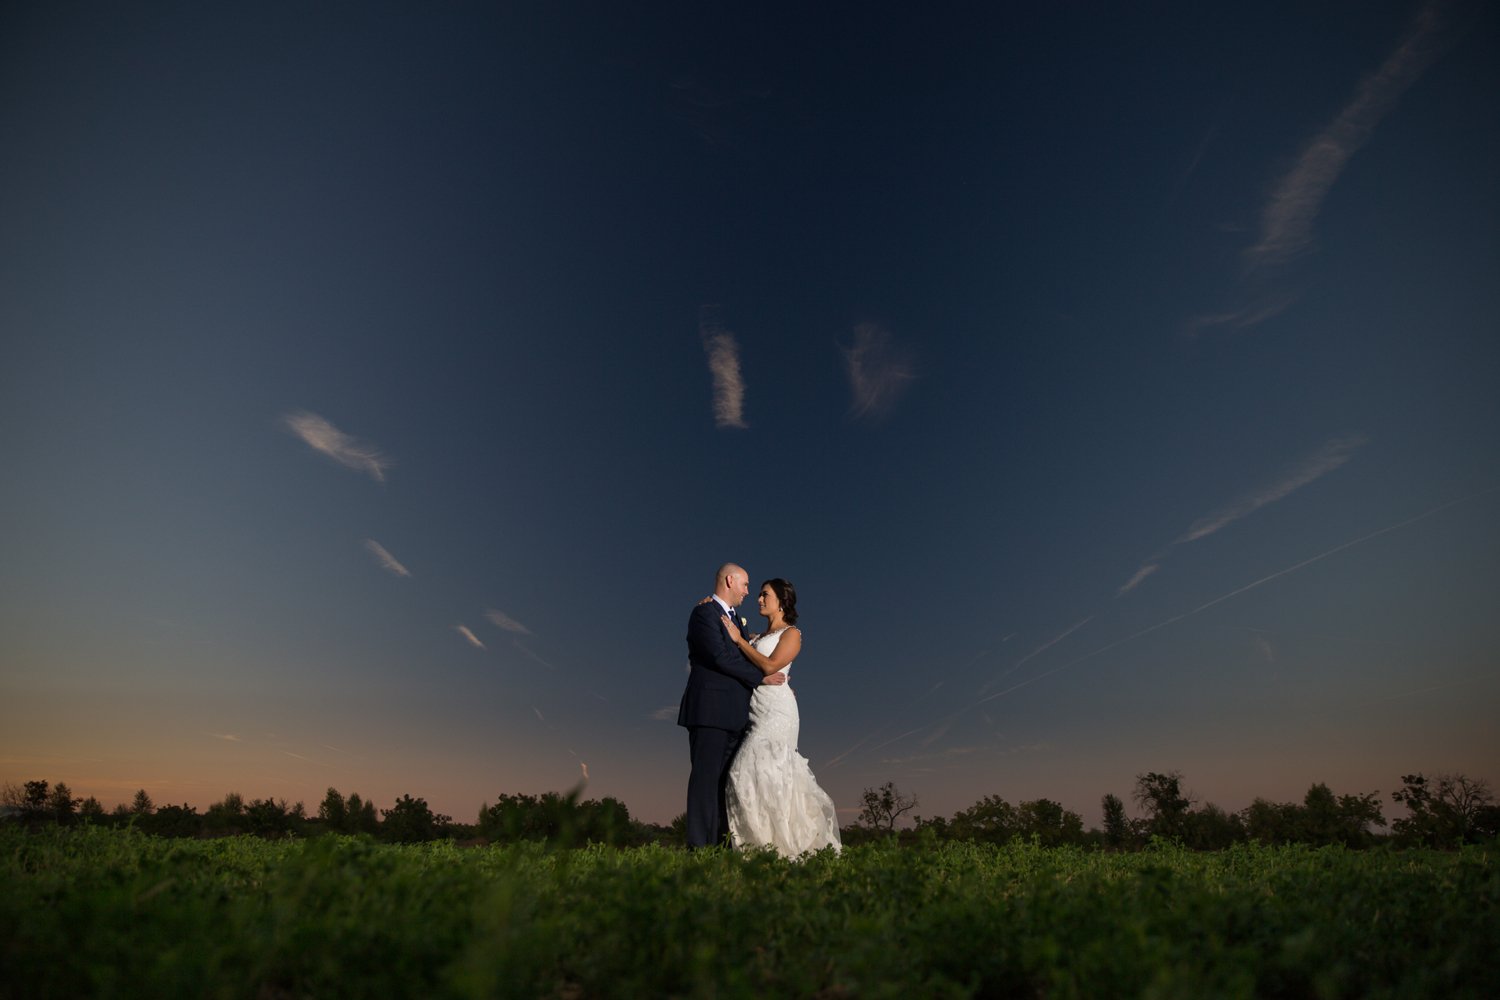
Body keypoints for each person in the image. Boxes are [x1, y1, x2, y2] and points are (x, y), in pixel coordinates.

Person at [720, 578, 842, 856]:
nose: (759, 599)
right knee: (754, 776)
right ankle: (763, 848)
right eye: (759, 595)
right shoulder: (757, 638)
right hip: (757, 710)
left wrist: (738, 640)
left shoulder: (792, 634)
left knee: (753, 772)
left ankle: (782, 846)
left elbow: (770, 665)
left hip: (778, 712)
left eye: (765, 595)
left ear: (782, 600)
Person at [677, 562, 788, 849]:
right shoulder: (704, 613)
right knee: (705, 782)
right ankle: (700, 850)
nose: (748, 592)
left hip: (737, 716)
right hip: (710, 711)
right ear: (729, 581)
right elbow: (719, 656)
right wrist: (762, 679)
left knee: (727, 786)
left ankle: (722, 848)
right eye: (745, 585)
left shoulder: (737, 621)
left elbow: (749, 650)